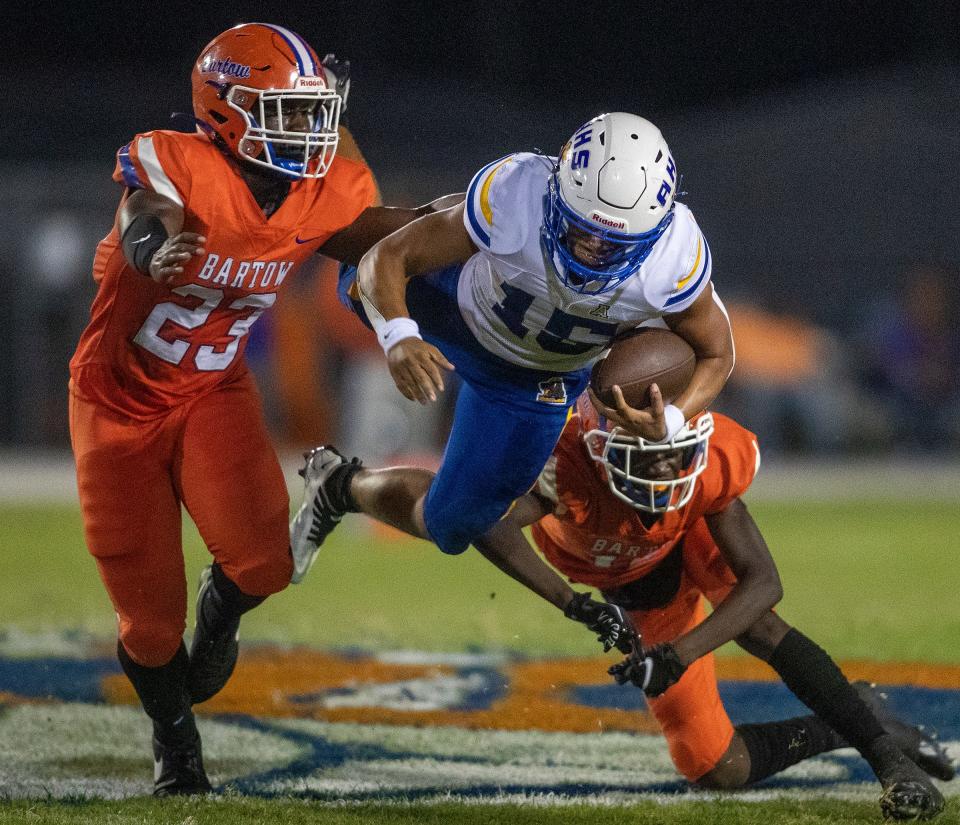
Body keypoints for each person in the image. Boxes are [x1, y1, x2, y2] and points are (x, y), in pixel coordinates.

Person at [68, 23, 445, 797]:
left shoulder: (324, 186)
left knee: (265, 561)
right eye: (290, 111)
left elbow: (385, 241)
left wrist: (469, 235)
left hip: (212, 391)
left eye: (314, 110)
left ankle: (222, 612)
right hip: (117, 405)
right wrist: (151, 248)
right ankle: (175, 743)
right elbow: (145, 213)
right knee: (146, 623)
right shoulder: (181, 166)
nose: (311, 129)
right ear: (227, 110)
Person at [290, 112, 736, 573]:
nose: (592, 250)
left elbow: (718, 352)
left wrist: (673, 420)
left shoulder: (674, 255)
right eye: (582, 228)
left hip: (534, 382)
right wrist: (398, 333)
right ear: (557, 192)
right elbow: (390, 257)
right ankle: (317, 127)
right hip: (451, 307)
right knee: (336, 242)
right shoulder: (520, 191)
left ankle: (339, 487)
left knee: (451, 526)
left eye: (613, 243)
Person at [466, 395, 950, 820]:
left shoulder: (711, 460)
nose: (661, 472)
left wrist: (678, 655)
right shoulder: (564, 457)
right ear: (597, 450)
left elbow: (763, 584)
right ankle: (855, 714)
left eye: (672, 454)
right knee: (717, 767)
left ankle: (888, 759)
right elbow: (488, 523)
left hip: (689, 538)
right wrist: (572, 603)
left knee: (757, 623)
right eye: (641, 457)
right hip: (644, 593)